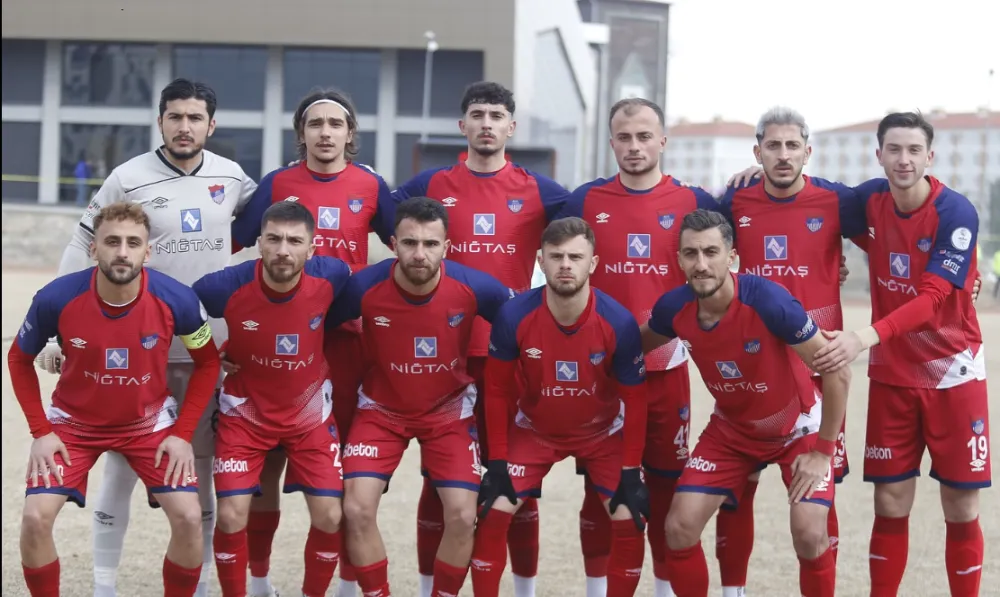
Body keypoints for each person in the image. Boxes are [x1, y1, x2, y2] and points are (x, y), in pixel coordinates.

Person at [29, 78, 259, 597]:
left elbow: (271, 223)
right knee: (122, 464)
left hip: (206, 352)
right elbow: (83, 240)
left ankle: (197, 582)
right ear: (160, 121)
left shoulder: (232, 176)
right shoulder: (127, 177)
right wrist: (54, 333)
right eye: (175, 117)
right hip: (138, 349)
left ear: (211, 125)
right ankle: (105, 584)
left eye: (195, 118)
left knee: (197, 465)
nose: (184, 127)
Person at [392, 81, 570, 597]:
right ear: (462, 125)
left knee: (517, 478)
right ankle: (431, 587)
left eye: (497, 115)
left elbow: (591, 226)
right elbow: (385, 216)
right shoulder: (429, 185)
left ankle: (524, 590)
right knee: (438, 480)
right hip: (442, 355)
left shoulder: (542, 191)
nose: (487, 123)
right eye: (478, 114)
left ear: (511, 127)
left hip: (508, 356)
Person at [808, 112, 988, 597]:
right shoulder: (868, 199)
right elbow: (811, 202)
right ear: (879, 155)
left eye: (913, 151)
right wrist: (756, 174)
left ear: (930, 157)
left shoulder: (956, 212)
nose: (903, 159)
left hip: (954, 372)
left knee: (961, 506)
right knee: (889, 502)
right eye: (894, 150)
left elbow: (931, 300)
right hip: (893, 376)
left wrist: (862, 338)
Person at [8, 202, 222, 596]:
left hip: (149, 424)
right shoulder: (56, 298)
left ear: (147, 251)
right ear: (93, 249)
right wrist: (41, 431)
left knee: (190, 517)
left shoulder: (178, 300)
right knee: (36, 518)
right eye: (111, 241)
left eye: (132, 243)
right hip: (73, 424)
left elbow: (208, 364)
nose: (122, 251)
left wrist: (181, 433)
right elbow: (18, 358)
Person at [230, 88, 395, 597]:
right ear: (301, 133)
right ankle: (259, 583)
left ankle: (346, 582)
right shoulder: (279, 183)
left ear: (351, 134)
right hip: (277, 342)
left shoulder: (371, 185)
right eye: (315, 123)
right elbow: (231, 239)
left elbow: (411, 243)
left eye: (336, 124)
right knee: (270, 466)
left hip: (343, 345)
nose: (326, 133)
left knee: (343, 472)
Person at [641, 209, 850, 597]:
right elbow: (633, 349)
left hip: (798, 430)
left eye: (710, 252)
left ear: (731, 256)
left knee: (809, 532)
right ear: (679, 260)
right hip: (732, 432)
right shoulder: (674, 308)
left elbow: (838, 373)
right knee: (679, 527)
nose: (701, 264)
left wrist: (823, 451)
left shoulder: (769, 301)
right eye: (690, 254)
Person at [558, 97, 720, 597]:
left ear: (662, 141)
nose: (634, 146)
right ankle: (595, 588)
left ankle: (665, 589)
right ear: (611, 143)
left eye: (644, 136)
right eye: (624, 138)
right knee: (600, 489)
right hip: (601, 371)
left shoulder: (694, 202)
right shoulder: (584, 200)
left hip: (665, 367)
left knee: (667, 486)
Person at [327, 197, 513, 597]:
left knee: (464, 515)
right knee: (356, 509)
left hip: (448, 412)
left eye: (431, 244)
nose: (419, 253)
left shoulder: (476, 286)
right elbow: (307, 320)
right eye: (410, 243)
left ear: (447, 246)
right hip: (380, 410)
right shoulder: (363, 285)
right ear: (393, 243)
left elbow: (527, 324)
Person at [714, 106, 868, 587]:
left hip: (820, 366)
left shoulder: (836, 201)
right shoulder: (734, 202)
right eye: (773, 146)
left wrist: (965, 282)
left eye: (792, 145)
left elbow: (907, 233)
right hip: (753, 362)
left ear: (808, 150)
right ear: (757, 151)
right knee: (739, 485)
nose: (783, 155)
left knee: (820, 497)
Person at [472, 216, 650, 597]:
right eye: (556, 256)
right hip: (535, 431)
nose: (565, 265)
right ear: (540, 260)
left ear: (593, 263)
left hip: (603, 435)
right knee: (491, 510)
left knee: (630, 516)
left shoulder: (618, 322)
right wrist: (498, 463)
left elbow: (636, 399)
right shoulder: (514, 315)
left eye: (575, 256)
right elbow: (497, 391)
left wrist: (632, 471)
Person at [192, 201, 353, 597]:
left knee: (332, 514)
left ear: (312, 249)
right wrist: (209, 352)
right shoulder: (223, 286)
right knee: (230, 516)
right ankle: (251, 590)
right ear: (259, 243)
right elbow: (178, 309)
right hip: (244, 415)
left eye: (295, 241)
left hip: (310, 417)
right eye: (274, 239)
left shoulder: (333, 276)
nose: (284, 249)